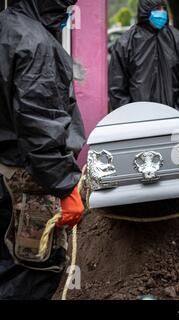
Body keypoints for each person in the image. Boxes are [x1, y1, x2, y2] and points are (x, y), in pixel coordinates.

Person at [0, 0, 85, 299]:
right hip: (24, 183)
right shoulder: (34, 42)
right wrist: (65, 186)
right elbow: (40, 125)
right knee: (30, 275)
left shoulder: (6, 27)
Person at [109, 0, 179, 120]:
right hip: (138, 122)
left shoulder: (178, 41)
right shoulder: (126, 43)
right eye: (157, 9)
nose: (162, 13)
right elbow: (117, 87)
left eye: (163, 8)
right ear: (145, 11)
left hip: (174, 119)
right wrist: (130, 117)